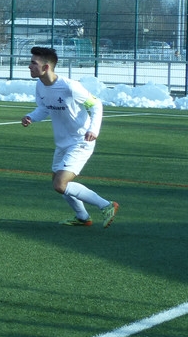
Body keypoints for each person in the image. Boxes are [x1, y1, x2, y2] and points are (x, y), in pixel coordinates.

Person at [21, 46, 119, 227]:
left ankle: (107, 205)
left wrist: (93, 130)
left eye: (34, 63)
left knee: (60, 184)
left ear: (46, 67)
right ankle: (82, 217)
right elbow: (44, 108)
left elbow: (96, 105)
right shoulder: (40, 85)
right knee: (57, 183)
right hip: (62, 143)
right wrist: (31, 117)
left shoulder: (70, 87)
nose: (29, 66)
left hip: (81, 141)